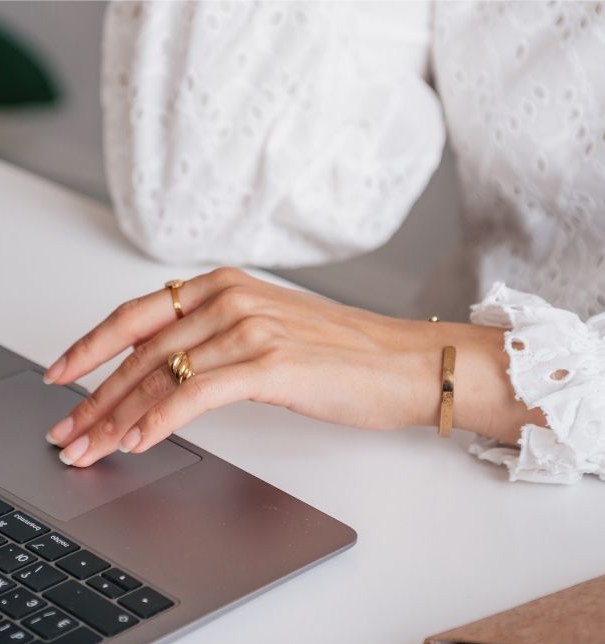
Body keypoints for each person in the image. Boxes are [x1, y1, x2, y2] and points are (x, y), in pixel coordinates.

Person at [44, 1, 605, 484]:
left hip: (461, 422)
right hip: (440, 451)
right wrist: (415, 365)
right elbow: (193, 199)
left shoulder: (420, 370)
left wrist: (422, 364)